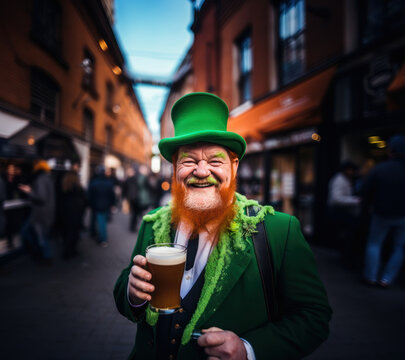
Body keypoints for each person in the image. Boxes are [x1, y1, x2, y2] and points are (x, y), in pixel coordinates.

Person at [113, 93, 331, 359]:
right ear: (175, 169)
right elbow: (126, 289)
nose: (202, 171)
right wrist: (133, 293)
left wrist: (248, 350)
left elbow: (314, 317)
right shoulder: (153, 222)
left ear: (234, 166)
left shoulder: (277, 231)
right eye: (189, 161)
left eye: (215, 161)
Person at [359, 134, 405, 288]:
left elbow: (365, 191)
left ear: (390, 151)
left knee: (374, 244)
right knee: (399, 246)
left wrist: (367, 208)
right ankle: (387, 279)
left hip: (382, 213)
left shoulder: (380, 169)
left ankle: (371, 276)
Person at [19, 159, 55, 264]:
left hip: (40, 214)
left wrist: (29, 191)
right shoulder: (49, 178)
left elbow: (41, 198)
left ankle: (43, 255)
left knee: (28, 232)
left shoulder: (40, 179)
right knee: (41, 235)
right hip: (47, 213)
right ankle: (44, 255)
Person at [327, 160, 362, 267]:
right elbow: (336, 199)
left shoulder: (345, 179)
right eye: (351, 170)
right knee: (348, 235)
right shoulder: (340, 180)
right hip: (339, 212)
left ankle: (346, 257)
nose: (353, 172)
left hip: (342, 212)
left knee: (348, 236)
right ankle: (346, 258)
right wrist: (356, 200)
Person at [60, 170, 87, 258]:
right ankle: (71, 250)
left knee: (66, 232)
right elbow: (84, 200)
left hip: (65, 213)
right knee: (74, 232)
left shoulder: (64, 187)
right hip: (76, 213)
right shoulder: (78, 188)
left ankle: (66, 251)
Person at [87, 165, 115, 247]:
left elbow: (89, 195)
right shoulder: (109, 183)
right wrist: (112, 204)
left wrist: (89, 204)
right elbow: (112, 195)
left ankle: (103, 239)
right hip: (106, 206)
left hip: (96, 205)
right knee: (102, 222)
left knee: (100, 222)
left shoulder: (94, 183)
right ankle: (100, 237)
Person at [123, 165, 153, 232]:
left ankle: (132, 226)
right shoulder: (143, 178)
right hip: (139, 199)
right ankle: (137, 226)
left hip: (134, 198)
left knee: (135, 213)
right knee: (138, 213)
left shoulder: (133, 178)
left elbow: (126, 188)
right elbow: (149, 187)